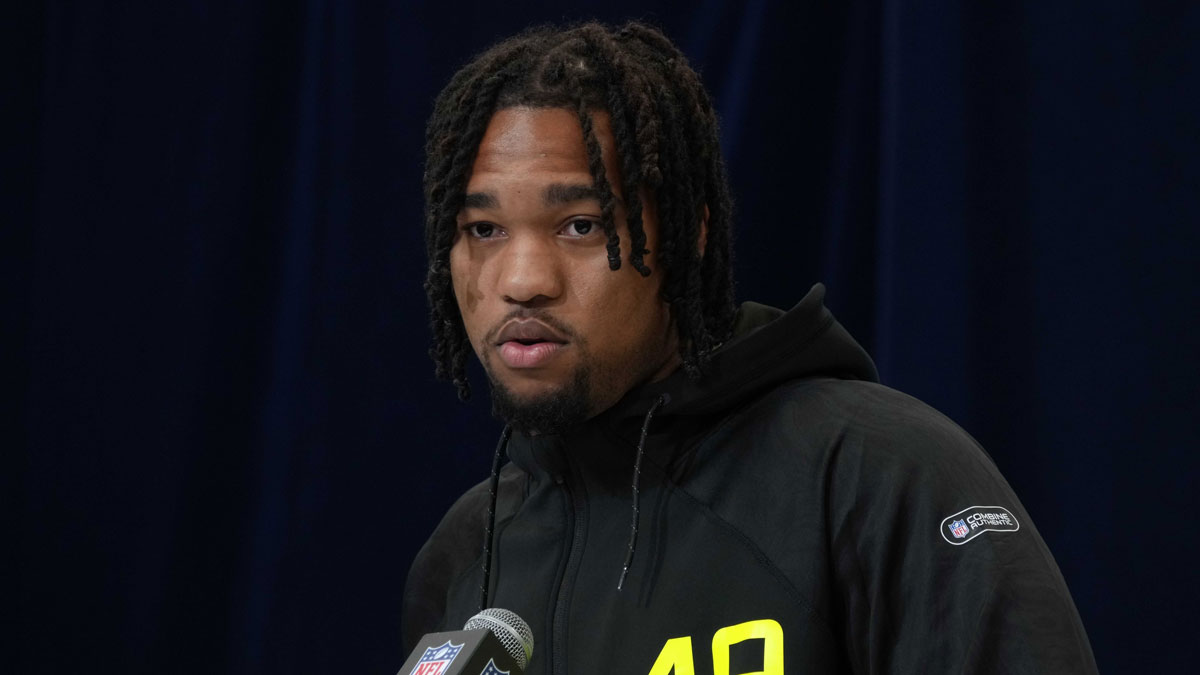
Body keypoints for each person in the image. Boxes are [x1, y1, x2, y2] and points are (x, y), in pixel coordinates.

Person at [403, 21, 1097, 674]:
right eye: (484, 230)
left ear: (685, 236)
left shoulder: (876, 473)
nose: (522, 281)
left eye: (582, 225)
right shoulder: (467, 552)